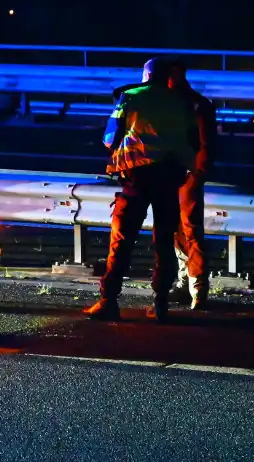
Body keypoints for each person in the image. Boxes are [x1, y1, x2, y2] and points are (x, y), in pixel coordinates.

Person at [85, 57, 198, 322]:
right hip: (169, 177)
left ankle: (108, 301)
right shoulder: (181, 102)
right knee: (164, 241)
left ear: (145, 75)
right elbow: (193, 140)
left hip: (135, 178)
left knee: (122, 240)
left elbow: (109, 139)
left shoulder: (129, 97)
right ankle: (160, 303)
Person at [109, 58, 217, 311]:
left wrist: (195, 172)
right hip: (177, 172)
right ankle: (181, 287)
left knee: (181, 230)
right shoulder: (185, 102)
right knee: (174, 233)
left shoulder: (185, 103)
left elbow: (200, 142)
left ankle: (193, 287)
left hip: (172, 173)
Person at [167, 58, 217, 310]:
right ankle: (185, 281)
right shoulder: (176, 102)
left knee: (189, 227)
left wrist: (195, 173)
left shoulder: (195, 105)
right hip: (170, 172)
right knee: (176, 228)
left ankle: (197, 286)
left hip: (185, 174)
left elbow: (206, 145)